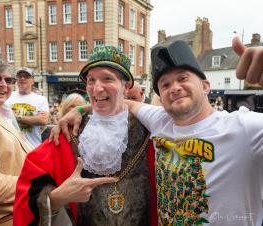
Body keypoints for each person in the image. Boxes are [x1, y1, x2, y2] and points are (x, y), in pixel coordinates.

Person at [51, 37, 263, 225]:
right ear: (160, 97)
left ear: (206, 86)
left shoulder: (245, 127)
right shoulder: (160, 121)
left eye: (183, 78)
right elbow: (118, 101)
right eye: (165, 84)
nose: (174, 88)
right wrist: (80, 108)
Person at [13, 46, 157, 226]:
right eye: (91, 80)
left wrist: (82, 108)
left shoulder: (150, 132)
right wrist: (56, 198)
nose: (97, 88)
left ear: (126, 86)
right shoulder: (68, 132)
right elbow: (26, 191)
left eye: (107, 78)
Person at [0, 57, 33, 226]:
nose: (3, 84)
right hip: (3, 219)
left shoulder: (2, 113)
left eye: (9, 80)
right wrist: (40, 184)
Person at [6, 67, 49, 147]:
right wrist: (34, 118)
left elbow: (43, 120)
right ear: (16, 80)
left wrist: (17, 117)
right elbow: (3, 117)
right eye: (20, 76)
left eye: (26, 76)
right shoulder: (8, 96)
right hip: (11, 147)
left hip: (33, 146)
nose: (22, 78)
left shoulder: (41, 99)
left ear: (32, 80)